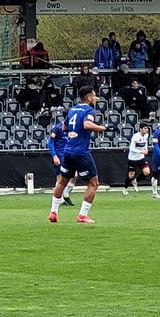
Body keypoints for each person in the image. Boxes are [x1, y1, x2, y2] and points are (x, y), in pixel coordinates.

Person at [48, 84, 106, 224]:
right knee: (93, 183)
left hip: (68, 151)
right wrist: (103, 128)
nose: (96, 98)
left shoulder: (72, 109)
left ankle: (53, 212)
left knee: (62, 181)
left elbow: (64, 127)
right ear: (88, 98)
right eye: (94, 96)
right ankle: (82, 215)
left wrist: (74, 134)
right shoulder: (89, 110)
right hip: (80, 152)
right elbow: (87, 125)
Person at [46, 119, 76, 206]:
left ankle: (65, 193)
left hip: (69, 154)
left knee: (75, 175)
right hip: (59, 155)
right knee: (60, 178)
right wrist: (54, 156)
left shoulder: (72, 128)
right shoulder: (58, 128)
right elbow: (50, 142)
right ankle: (60, 200)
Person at [122, 122, 151, 194]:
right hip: (133, 158)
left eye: (147, 128)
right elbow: (131, 148)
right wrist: (140, 152)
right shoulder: (135, 137)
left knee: (147, 171)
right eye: (145, 128)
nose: (146, 130)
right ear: (140, 129)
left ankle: (136, 181)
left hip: (141, 158)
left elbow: (145, 143)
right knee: (131, 174)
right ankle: (125, 188)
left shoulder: (146, 135)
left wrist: (146, 149)